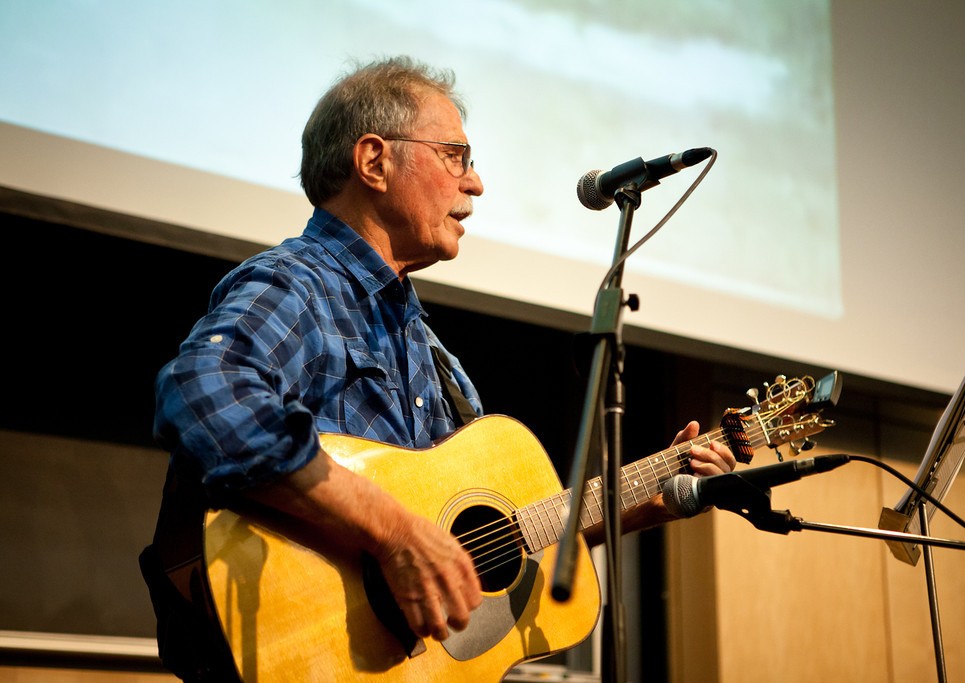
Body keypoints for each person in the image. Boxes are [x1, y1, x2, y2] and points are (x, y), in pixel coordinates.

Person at [141, 55, 736, 681]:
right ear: (374, 162)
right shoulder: (298, 286)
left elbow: (480, 557)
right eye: (456, 155)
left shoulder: (433, 355)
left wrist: (640, 506)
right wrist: (395, 531)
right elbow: (202, 395)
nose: (475, 183)